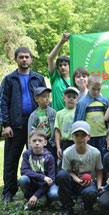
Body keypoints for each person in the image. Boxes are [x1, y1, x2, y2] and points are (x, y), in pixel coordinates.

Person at [1, 47, 46, 202]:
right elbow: (3, 102)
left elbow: (45, 100)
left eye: (27, 57)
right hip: (15, 126)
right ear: (16, 59)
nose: (24, 60)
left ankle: (38, 191)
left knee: (38, 158)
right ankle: (9, 191)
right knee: (11, 160)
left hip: (35, 126)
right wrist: (5, 124)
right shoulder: (9, 79)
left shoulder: (38, 78)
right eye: (21, 57)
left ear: (31, 59)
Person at [56, 121, 103, 214]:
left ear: (89, 137)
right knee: (61, 175)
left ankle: (88, 206)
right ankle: (67, 206)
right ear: (72, 137)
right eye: (76, 135)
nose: (80, 138)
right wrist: (79, 181)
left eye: (83, 135)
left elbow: (99, 170)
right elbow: (68, 171)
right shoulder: (67, 152)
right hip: (73, 182)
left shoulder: (96, 152)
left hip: (89, 183)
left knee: (90, 192)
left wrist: (98, 186)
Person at [18, 129, 58, 210]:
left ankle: (44, 198)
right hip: (33, 183)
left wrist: (36, 195)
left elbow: (51, 179)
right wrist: (43, 177)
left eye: (40, 140)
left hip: (46, 185)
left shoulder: (49, 157)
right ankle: (29, 199)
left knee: (55, 194)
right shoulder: (26, 154)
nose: (37, 143)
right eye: (34, 140)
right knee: (23, 179)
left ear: (45, 143)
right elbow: (24, 171)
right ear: (29, 142)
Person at [74, 74, 109, 159]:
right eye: (93, 89)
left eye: (98, 89)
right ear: (87, 86)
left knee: (102, 158)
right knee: (89, 158)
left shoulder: (105, 101)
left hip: (103, 136)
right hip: (88, 137)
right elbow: (78, 120)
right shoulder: (82, 103)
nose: (96, 92)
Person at [28, 87, 56, 158]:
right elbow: (30, 132)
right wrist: (30, 148)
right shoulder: (33, 115)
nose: (47, 99)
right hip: (39, 142)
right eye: (44, 96)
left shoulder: (53, 112)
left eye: (48, 96)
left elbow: (56, 128)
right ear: (37, 99)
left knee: (52, 162)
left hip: (50, 142)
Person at [55, 87, 79, 165]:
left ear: (77, 100)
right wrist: (58, 147)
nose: (71, 99)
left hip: (78, 142)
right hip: (65, 143)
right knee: (64, 165)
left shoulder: (79, 112)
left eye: (74, 97)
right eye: (69, 96)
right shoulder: (59, 114)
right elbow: (57, 131)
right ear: (64, 98)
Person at [48, 33, 71, 111]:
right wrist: (62, 41)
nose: (63, 67)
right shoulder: (55, 78)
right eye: (60, 65)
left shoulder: (75, 81)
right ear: (57, 68)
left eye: (65, 65)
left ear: (69, 67)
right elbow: (50, 58)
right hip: (56, 117)